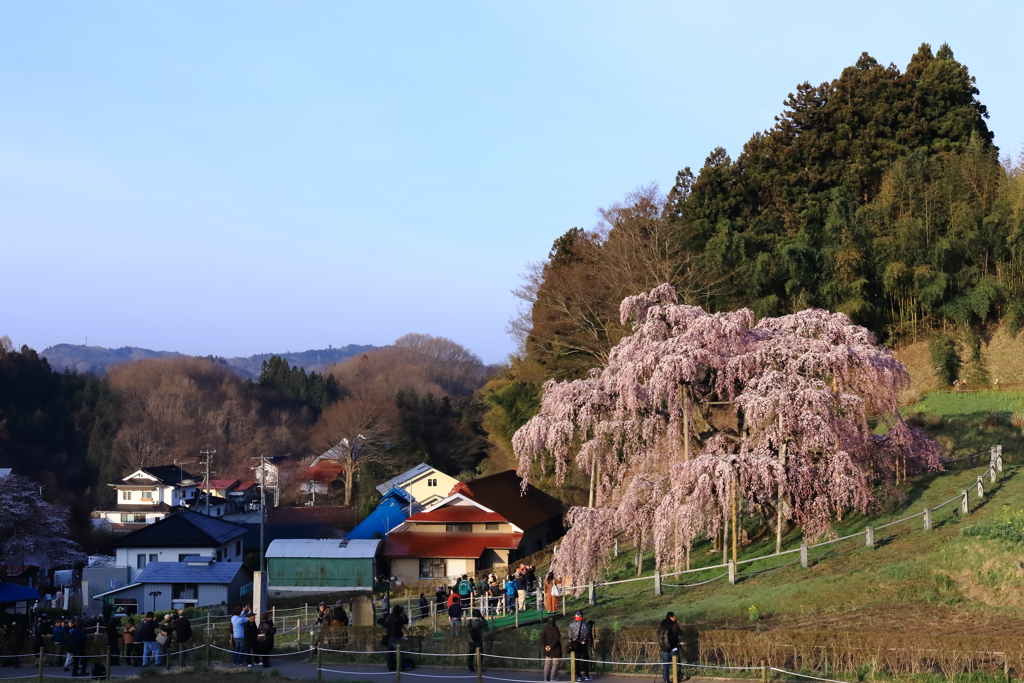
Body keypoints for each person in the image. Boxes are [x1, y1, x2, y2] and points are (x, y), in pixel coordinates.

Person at [567, 610, 592, 682]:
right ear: (582, 616)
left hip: (575, 643)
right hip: (583, 643)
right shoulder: (585, 624)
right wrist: (584, 640)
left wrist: (570, 641)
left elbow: (569, 635)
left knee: (577, 660)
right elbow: (587, 633)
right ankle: (587, 675)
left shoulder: (571, 624)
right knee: (585, 660)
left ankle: (578, 676)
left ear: (575, 616)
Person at [658, 612, 682, 683]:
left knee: (666, 665)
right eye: (674, 617)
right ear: (671, 617)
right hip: (674, 648)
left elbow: (658, 634)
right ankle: (676, 679)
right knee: (676, 664)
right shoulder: (674, 625)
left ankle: (666, 680)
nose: (675, 618)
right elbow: (681, 633)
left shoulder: (661, 625)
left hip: (664, 648)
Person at [384, 605, 408, 673]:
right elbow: (406, 621)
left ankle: (390, 667)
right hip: (396, 637)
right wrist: (404, 614)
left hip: (389, 637)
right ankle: (401, 666)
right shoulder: (398, 618)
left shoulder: (390, 616)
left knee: (390, 653)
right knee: (400, 652)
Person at [540, 616, 562, 682]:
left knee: (547, 663)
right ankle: (553, 678)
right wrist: (551, 646)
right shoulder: (556, 629)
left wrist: (546, 646)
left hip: (547, 649)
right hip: (555, 649)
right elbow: (556, 639)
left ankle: (546, 678)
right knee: (555, 663)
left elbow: (542, 638)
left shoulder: (545, 629)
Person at [466, 608, 488, 673]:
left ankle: (470, 667)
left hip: (470, 640)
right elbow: (486, 624)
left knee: (470, 654)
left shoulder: (469, 622)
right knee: (480, 654)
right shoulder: (479, 623)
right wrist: (482, 617)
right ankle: (479, 667)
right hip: (478, 640)